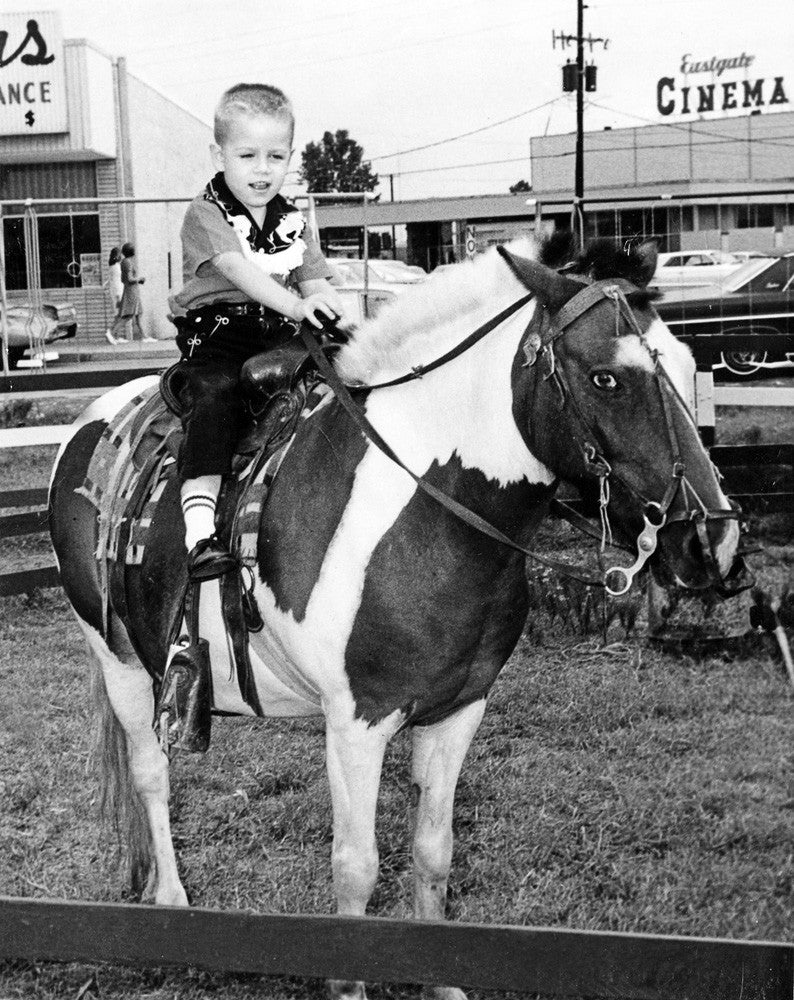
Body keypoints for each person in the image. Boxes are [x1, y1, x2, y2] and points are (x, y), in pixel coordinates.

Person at [169, 83, 345, 580]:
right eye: (247, 155)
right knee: (216, 395)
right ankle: (199, 530)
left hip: (276, 334)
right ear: (218, 154)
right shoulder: (206, 213)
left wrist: (332, 308)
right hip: (220, 337)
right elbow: (237, 269)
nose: (263, 169)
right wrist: (297, 303)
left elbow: (315, 279)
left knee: (344, 376)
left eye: (276, 156)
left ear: (291, 156)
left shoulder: (291, 220)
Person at [109, 243, 157, 344]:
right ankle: (112, 333)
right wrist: (139, 279)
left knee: (138, 313)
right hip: (132, 291)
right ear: (132, 252)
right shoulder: (128, 262)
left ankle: (144, 336)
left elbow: (124, 279)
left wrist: (136, 281)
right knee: (128, 315)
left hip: (130, 290)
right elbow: (130, 278)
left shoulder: (123, 262)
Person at [104, 247, 124, 344]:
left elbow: (110, 282)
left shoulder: (112, 266)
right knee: (119, 316)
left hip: (115, 293)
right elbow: (117, 282)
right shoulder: (116, 267)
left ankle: (116, 336)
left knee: (118, 315)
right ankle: (110, 332)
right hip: (118, 294)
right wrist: (118, 297)